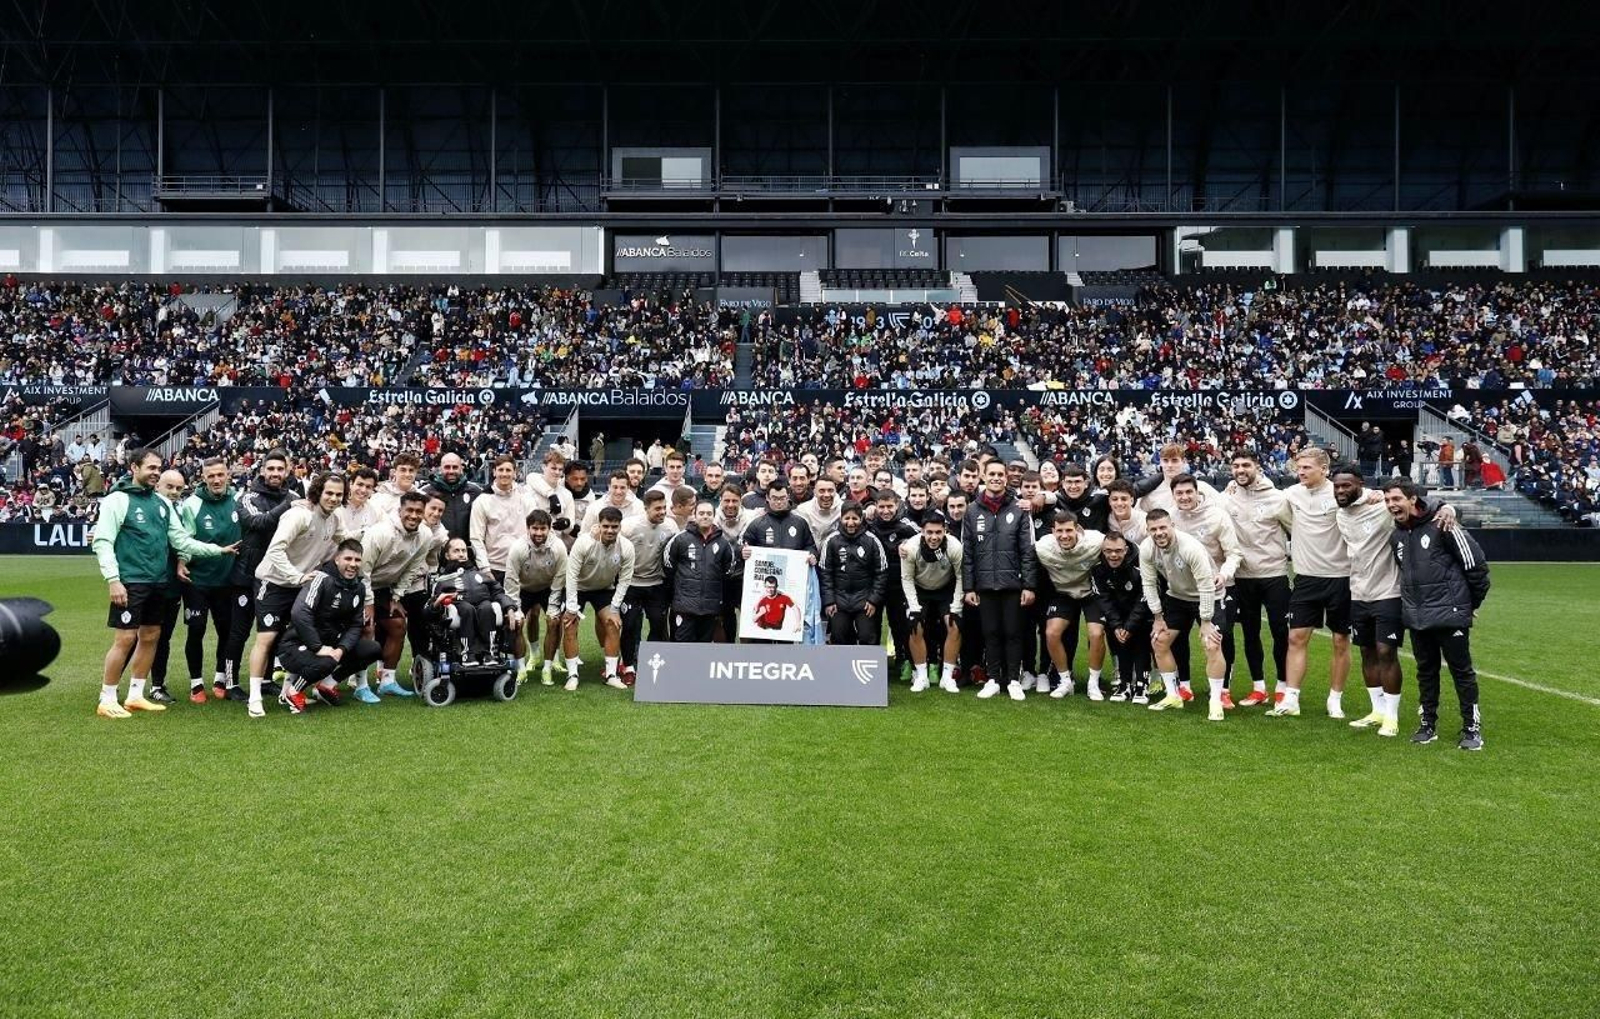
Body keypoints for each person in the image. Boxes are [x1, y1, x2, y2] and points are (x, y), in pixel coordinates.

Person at [90, 448, 237, 719]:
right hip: (130, 581)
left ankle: (136, 695)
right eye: (151, 468)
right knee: (125, 638)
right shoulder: (117, 500)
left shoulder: (161, 503)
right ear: (134, 467)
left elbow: (181, 541)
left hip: (158, 582)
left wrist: (218, 550)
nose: (155, 472)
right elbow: (102, 542)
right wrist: (113, 580)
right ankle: (107, 697)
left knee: (150, 637)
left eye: (158, 468)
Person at [1383, 478, 1490, 751]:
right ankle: (1427, 724)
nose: (1391, 505)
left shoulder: (1443, 524)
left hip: (1449, 615)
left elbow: (1476, 567)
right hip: (1417, 617)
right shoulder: (1397, 536)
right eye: (1387, 500)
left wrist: (1470, 605)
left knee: (1461, 672)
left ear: (1412, 499)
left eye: (1396, 499)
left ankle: (1472, 727)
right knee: (1426, 672)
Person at [245, 472, 345, 718]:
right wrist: (297, 576)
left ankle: (287, 691)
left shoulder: (334, 520)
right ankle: (254, 697)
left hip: (300, 584)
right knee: (267, 638)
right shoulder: (299, 515)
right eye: (329, 493)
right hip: (273, 582)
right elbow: (275, 550)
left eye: (339, 494)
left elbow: (347, 540)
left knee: (299, 636)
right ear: (318, 492)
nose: (333, 498)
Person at [1332, 465, 1405, 738]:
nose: (1341, 490)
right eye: (1337, 486)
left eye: (1347, 485)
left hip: (1388, 592)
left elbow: (1416, 503)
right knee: (1367, 652)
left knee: (1386, 651)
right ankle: (1377, 711)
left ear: (1360, 484)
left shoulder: (1381, 506)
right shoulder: (1340, 513)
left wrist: (1447, 509)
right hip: (1358, 593)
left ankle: (1392, 716)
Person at [1138, 509, 1229, 721]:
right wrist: (1157, 617)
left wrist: (1206, 621)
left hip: (1208, 596)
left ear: (1172, 526)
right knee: (1159, 641)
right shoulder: (1147, 548)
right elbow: (1149, 583)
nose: (1159, 533)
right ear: (1148, 530)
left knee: (1212, 644)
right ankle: (1173, 696)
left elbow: (1206, 585)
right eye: (1153, 529)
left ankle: (1216, 701)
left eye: (1163, 527)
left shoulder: (1190, 547)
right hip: (1178, 598)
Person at [275, 540, 384, 715]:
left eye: (357, 560)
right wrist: (317, 647)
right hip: (295, 645)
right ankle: (293, 691)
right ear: (337, 559)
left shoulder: (359, 587)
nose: (353, 564)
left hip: (331, 645)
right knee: (327, 661)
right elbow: (299, 613)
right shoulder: (321, 579)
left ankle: (327, 685)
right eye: (348, 559)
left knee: (372, 649)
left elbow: (356, 624)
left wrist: (341, 649)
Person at [1221, 449, 1292, 708]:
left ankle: (1283, 687)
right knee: (1250, 633)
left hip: (1274, 574)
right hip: (1242, 576)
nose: (1240, 470)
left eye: (1246, 465)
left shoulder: (1277, 498)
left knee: (1280, 632)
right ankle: (1258, 687)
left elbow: (1294, 529)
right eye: (1236, 466)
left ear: (1257, 467)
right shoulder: (1227, 499)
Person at [963, 459, 1038, 701]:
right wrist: (969, 587)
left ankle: (1013, 679)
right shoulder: (972, 510)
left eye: (1000, 474)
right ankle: (994, 679)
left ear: (1006, 478)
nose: (996, 478)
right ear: (984, 476)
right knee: (991, 632)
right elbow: (968, 552)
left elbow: (1027, 551)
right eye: (992, 474)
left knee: (1013, 632)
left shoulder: (1019, 509)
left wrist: (1029, 585)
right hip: (985, 584)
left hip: (1013, 584)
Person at [225, 449, 296, 702]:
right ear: (263, 470)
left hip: (276, 578)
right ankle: (231, 683)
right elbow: (258, 523)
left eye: (280, 469)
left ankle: (266, 681)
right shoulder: (247, 497)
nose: (275, 473)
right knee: (239, 632)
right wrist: (288, 505)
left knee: (272, 630)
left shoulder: (294, 497)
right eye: (271, 469)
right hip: (246, 576)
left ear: (287, 471)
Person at [350, 490, 431, 702]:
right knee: (367, 629)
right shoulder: (381, 533)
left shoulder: (425, 535)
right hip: (357, 585)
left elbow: (412, 569)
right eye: (409, 510)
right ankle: (360, 686)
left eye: (419, 512)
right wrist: (368, 604)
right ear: (400, 510)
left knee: (398, 625)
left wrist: (396, 597)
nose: (414, 515)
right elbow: (363, 571)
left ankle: (387, 681)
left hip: (384, 588)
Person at [1169, 473, 1242, 706]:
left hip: (1218, 587)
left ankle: (1223, 690)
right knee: (1178, 636)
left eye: (1188, 492)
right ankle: (1184, 686)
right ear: (1173, 495)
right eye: (1179, 493)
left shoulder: (1217, 516)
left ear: (1197, 492)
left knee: (1222, 636)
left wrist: (1224, 574)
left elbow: (1234, 553)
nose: (1184, 497)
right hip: (1183, 591)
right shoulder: (1170, 518)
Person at [177, 457, 244, 703]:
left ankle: (220, 678)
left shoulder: (239, 500)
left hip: (228, 580)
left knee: (226, 630)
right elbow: (185, 539)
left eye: (220, 474)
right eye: (211, 476)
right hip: (198, 580)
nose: (216, 480)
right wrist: (182, 561)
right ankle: (196, 683)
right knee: (196, 630)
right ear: (203, 478)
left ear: (228, 475)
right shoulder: (191, 504)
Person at [1033, 514, 1107, 699]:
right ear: (1053, 531)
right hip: (1063, 593)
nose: (1064, 535)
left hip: (1091, 593)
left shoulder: (1096, 541)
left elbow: (1121, 547)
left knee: (1096, 634)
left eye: (1068, 530)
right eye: (1059, 531)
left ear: (1078, 530)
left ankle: (1093, 684)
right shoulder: (1042, 547)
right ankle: (1065, 681)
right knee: (1051, 633)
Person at [562, 505, 635, 690]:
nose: (610, 530)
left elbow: (625, 580)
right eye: (606, 526)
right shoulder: (584, 543)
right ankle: (572, 675)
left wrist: (615, 609)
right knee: (570, 625)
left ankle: (611, 675)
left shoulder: (626, 547)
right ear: (599, 525)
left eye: (614, 527)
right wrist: (571, 608)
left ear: (620, 527)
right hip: (579, 588)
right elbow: (571, 575)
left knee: (613, 623)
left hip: (603, 589)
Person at [619, 489, 680, 682]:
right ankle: (628, 667)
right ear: (646, 509)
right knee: (629, 626)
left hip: (656, 584)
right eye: (657, 509)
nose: (662, 512)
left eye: (664, 508)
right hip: (631, 584)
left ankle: (650, 665)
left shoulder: (670, 526)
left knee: (658, 624)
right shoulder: (629, 527)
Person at [900, 510, 964, 693]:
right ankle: (922, 676)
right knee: (915, 625)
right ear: (922, 531)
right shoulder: (910, 548)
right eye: (929, 532)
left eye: (938, 532)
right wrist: (914, 607)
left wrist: (956, 607)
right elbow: (907, 578)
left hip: (945, 588)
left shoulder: (955, 547)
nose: (934, 537)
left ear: (945, 531)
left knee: (954, 625)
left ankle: (947, 677)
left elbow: (961, 577)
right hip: (919, 589)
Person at [429, 538, 522, 664]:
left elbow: (498, 592)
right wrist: (437, 603)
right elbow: (431, 609)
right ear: (447, 555)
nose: (461, 554)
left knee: (487, 607)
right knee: (467, 609)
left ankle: (489, 653)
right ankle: (467, 654)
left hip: (483, 605)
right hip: (459, 606)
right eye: (456, 551)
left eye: (463, 551)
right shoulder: (442, 580)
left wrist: (509, 608)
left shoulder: (480, 575)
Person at [504, 509, 569, 686]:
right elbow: (511, 580)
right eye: (534, 528)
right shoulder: (518, 548)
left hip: (548, 588)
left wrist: (553, 608)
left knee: (554, 621)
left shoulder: (558, 547)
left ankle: (548, 668)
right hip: (523, 589)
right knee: (516, 623)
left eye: (543, 529)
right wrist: (515, 609)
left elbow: (559, 579)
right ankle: (521, 669)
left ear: (549, 529)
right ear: (528, 529)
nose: (538, 533)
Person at [1089, 531, 1152, 703]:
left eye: (1118, 551)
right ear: (1103, 550)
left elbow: (1145, 595)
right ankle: (1124, 685)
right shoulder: (1097, 567)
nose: (1113, 555)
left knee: (1140, 642)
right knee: (1120, 641)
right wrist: (1117, 625)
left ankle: (1142, 685)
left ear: (1125, 550)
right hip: (1117, 612)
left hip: (1142, 611)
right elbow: (1102, 598)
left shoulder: (1141, 563)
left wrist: (1130, 625)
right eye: (1108, 551)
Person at [663, 501, 739, 642]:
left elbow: (728, 571)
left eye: (709, 514)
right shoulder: (680, 539)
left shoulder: (723, 543)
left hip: (710, 608)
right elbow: (668, 565)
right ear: (695, 515)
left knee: (703, 648)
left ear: (714, 516)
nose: (705, 516)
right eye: (701, 513)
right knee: (681, 646)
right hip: (685, 607)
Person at [820, 502, 889, 646]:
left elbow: (881, 572)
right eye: (847, 518)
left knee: (867, 637)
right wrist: (829, 601)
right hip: (839, 601)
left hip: (865, 601)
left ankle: (867, 661)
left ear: (861, 519)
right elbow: (825, 573)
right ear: (841, 518)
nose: (850, 523)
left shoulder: (872, 540)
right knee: (839, 636)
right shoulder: (831, 540)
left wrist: (873, 600)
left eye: (855, 518)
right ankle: (843, 662)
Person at [866, 489, 919, 674]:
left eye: (890, 506)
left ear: (897, 505)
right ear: (876, 506)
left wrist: (909, 546)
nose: (886, 511)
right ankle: (872, 661)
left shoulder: (907, 526)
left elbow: (923, 541)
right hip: (875, 585)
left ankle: (902, 658)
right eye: (882, 507)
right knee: (872, 623)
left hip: (899, 585)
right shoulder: (869, 526)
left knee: (899, 623)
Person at [470, 454, 533, 581]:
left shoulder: (526, 497)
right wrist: (485, 568)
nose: (504, 474)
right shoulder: (482, 501)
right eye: (500, 470)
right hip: (494, 568)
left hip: (522, 566)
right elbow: (476, 537)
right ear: (494, 472)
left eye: (508, 470)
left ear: (515, 473)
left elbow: (534, 529)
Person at [423, 453, 483, 550]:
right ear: (440, 468)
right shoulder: (425, 492)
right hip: (436, 551)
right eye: (447, 467)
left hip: (466, 552)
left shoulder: (475, 491)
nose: (451, 471)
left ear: (461, 468)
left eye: (455, 467)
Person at [368, 451, 422, 518]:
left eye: (411, 470)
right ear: (395, 472)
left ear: (415, 473)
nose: (407, 474)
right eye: (403, 470)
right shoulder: (379, 498)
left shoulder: (422, 497)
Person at [334, 467, 381, 543]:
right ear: (351, 484)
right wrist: (365, 531)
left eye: (368, 487)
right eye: (360, 484)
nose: (363, 490)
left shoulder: (375, 512)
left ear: (373, 490)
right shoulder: (337, 505)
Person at [795, 475, 842, 547]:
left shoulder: (843, 510)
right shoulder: (803, 510)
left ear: (835, 491)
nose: (826, 495)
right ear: (815, 492)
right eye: (822, 491)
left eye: (830, 490)